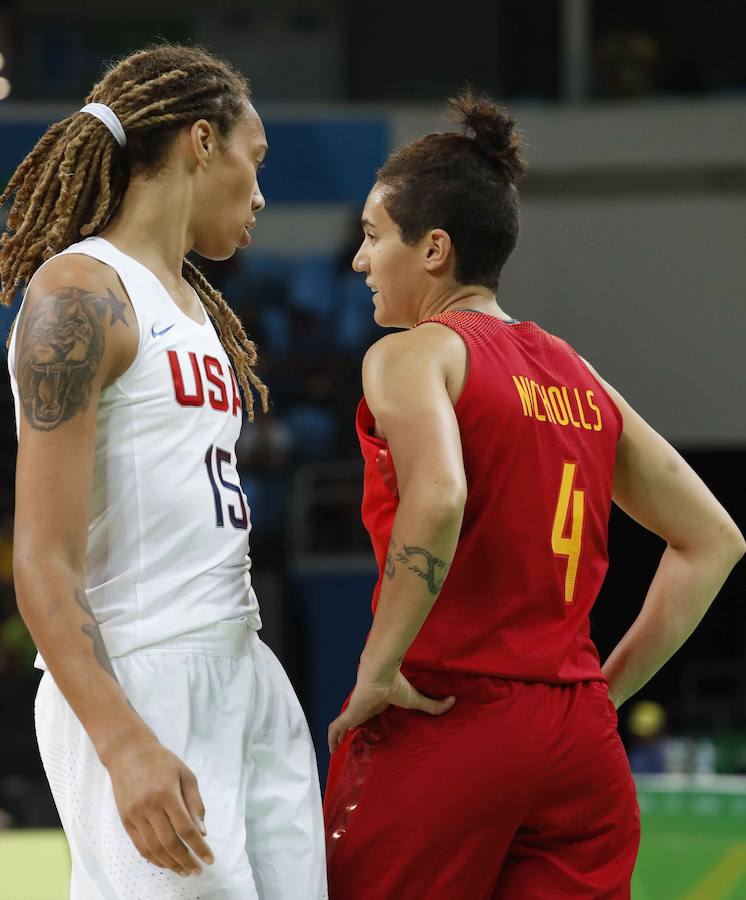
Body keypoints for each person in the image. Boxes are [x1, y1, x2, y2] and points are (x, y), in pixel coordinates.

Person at [323, 91, 745, 899]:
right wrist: (599, 695)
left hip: (446, 716)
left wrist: (378, 669)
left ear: (434, 249)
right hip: (576, 742)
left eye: (375, 237)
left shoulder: (414, 356)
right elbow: (714, 540)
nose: (360, 259)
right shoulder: (582, 378)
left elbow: (439, 497)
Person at [1, 45, 327, 899]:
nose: (261, 197)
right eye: (255, 163)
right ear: (200, 141)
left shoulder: (193, 305)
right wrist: (123, 742)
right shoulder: (79, 291)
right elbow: (42, 559)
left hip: (241, 661)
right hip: (142, 677)